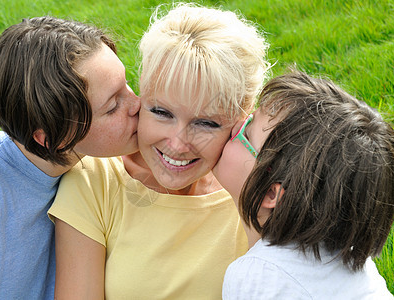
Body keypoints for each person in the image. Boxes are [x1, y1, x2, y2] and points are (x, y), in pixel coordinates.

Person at [48, 3, 270, 299]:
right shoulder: (94, 180)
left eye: (206, 123)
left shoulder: (263, 194)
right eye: (162, 112)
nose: (177, 145)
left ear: (243, 121)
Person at [0, 16, 140, 299]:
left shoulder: (101, 167)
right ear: (55, 138)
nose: (137, 103)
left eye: (127, 84)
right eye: (114, 105)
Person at [213, 71, 394, 299]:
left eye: (247, 132)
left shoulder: (258, 276)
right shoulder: (349, 260)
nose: (235, 126)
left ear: (270, 193)